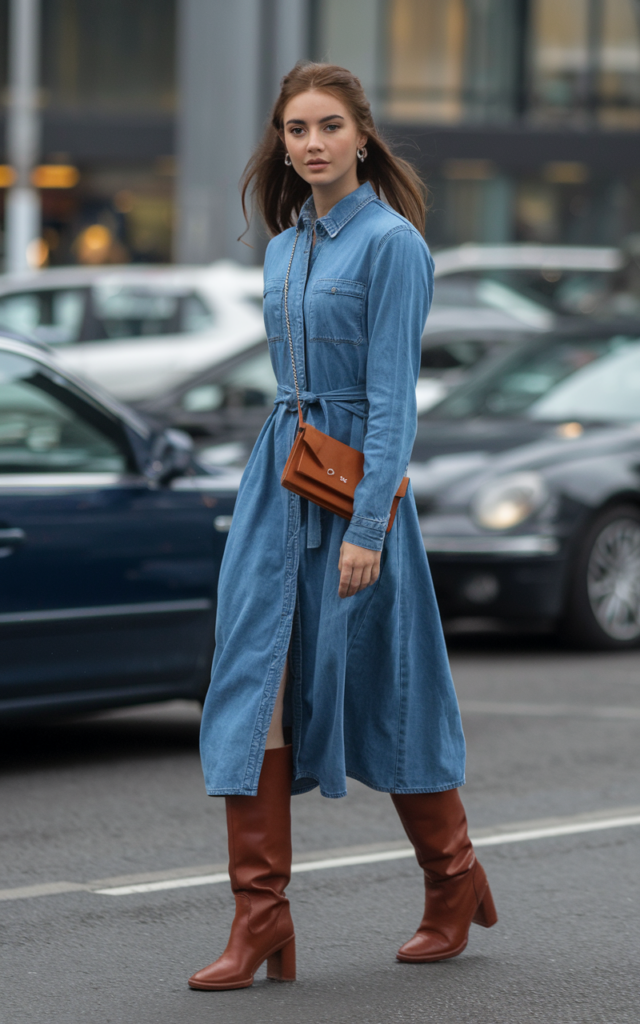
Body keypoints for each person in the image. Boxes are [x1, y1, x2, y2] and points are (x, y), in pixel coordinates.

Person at [189, 62, 497, 992]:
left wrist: (369, 525)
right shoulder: (285, 249)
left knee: (385, 686)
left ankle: (453, 880)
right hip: (278, 483)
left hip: (358, 494)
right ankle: (260, 917)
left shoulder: (394, 244)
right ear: (281, 143)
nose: (311, 143)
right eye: (295, 130)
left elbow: (396, 402)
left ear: (363, 137)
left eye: (328, 126)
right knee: (252, 687)